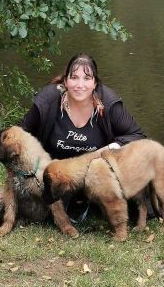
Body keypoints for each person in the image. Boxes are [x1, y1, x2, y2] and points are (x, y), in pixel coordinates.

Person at [19, 53, 147, 221]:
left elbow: (138, 136)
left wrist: (110, 148)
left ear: (95, 83)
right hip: (56, 175)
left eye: (87, 78)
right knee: (34, 209)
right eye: (74, 78)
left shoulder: (108, 102)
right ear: (65, 81)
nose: (80, 85)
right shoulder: (48, 100)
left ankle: (96, 204)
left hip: (94, 174)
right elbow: (21, 133)